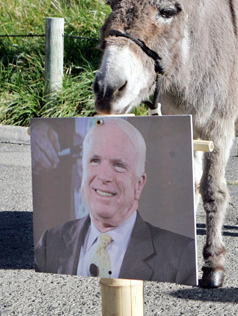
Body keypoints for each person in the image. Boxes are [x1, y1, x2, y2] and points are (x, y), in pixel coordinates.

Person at [34, 118, 196, 285]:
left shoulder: (179, 257)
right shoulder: (50, 242)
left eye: (118, 165)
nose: (104, 176)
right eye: (95, 160)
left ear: (139, 184)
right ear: (82, 171)